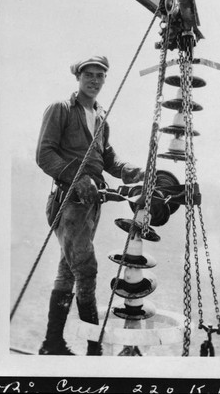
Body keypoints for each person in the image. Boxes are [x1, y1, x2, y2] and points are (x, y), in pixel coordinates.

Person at [36, 55, 144, 356]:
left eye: (100, 76)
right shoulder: (60, 109)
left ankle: (52, 343)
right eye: (89, 75)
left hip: (91, 204)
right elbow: (45, 154)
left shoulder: (100, 116)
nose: (94, 80)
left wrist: (131, 170)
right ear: (78, 77)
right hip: (67, 201)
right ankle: (94, 350)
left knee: (68, 270)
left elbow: (107, 158)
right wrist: (78, 177)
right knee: (86, 269)